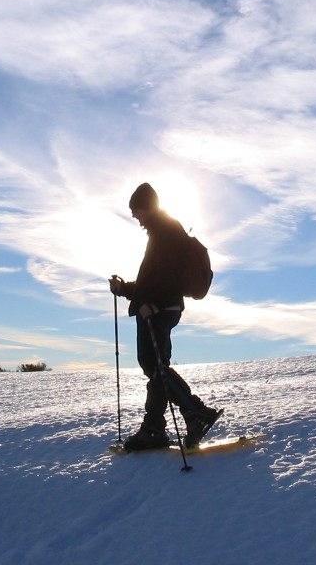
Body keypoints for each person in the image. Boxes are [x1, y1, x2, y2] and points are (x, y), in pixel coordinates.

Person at [109, 182, 221, 451]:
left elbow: (168, 278)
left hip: (159, 310)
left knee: (155, 365)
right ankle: (155, 428)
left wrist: (154, 305)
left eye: (136, 211)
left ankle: (193, 413)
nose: (136, 218)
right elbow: (152, 280)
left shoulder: (165, 233)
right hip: (158, 307)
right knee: (156, 368)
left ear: (145, 207)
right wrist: (125, 289)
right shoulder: (163, 231)